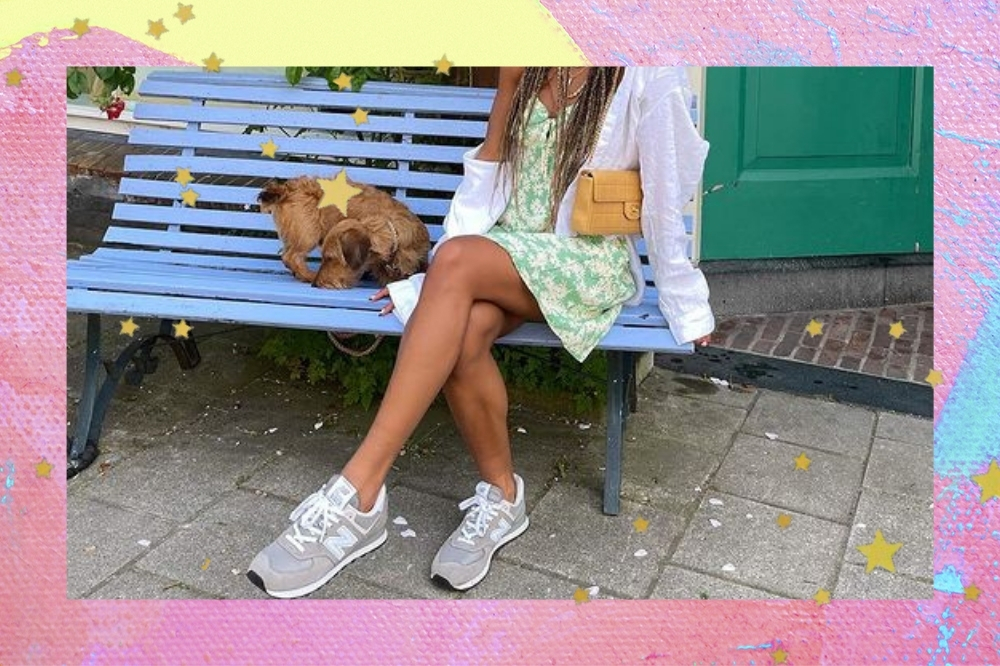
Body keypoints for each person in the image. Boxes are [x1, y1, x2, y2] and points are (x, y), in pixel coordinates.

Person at [246, 66, 715, 599]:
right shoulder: (533, 65)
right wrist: (509, 88)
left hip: (583, 261)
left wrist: (687, 302)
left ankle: (358, 493)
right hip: (504, 252)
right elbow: (486, 179)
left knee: (457, 261)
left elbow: (665, 187)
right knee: (462, 328)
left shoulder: (644, 74)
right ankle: (502, 497)